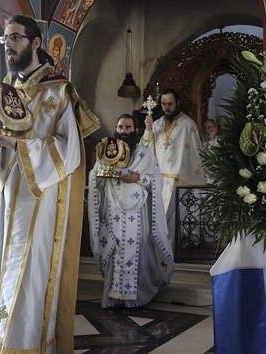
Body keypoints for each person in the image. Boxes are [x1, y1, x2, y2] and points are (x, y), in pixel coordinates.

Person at [0, 15, 99, 354]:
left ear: (36, 42)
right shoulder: (3, 92)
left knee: (30, 278)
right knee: (5, 275)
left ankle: (28, 347)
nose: (9, 44)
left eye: (15, 37)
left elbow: (69, 152)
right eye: (5, 39)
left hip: (41, 204)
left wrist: (19, 145)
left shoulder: (58, 91)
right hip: (9, 199)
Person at [88, 114, 174, 308]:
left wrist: (138, 178)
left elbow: (156, 180)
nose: (123, 131)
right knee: (114, 249)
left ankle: (135, 298)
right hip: (113, 211)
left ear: (135, 130)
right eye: (120, 127)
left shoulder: (144, 153)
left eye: (127, 128)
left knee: (138, 249)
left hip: (138, 213)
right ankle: (114, 298)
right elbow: (94, 175)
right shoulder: (106, 150)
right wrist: (102, 175)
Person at [141, 88, 206, 247]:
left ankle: (173, 250)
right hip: (159, 180)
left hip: (179, 181)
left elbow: (196, 154)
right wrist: (148, 130)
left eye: (170, 104)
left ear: (177, 103)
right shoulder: (156, 124)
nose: (166, 107)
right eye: (163, 104)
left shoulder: (188, 125)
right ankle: (159, 251)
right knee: (157, 218)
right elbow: (144, 148)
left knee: (171, 221)